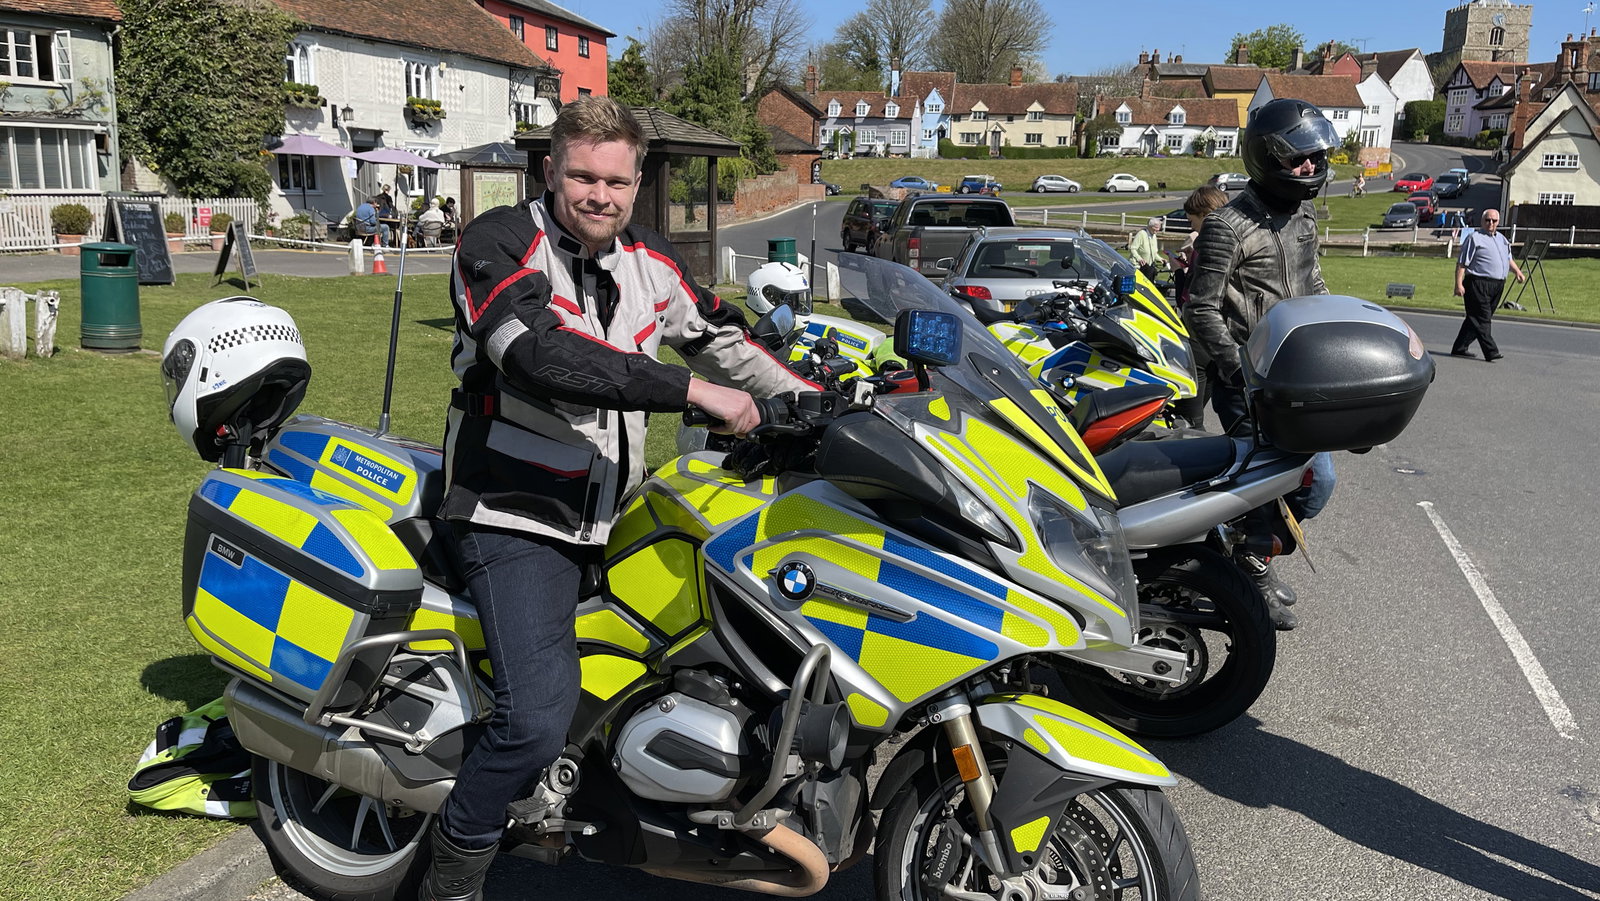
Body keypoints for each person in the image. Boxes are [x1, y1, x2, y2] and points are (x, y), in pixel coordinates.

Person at [422, 96, 817, 901]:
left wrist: (819, 403)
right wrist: (691, 392)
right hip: (513, 515)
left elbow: (723, 341)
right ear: (550, 171)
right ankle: (454, 871)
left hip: (617, 512)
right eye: (583, 176)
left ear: (637, 184)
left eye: (616, 181)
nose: (600, 195)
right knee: (535, 715)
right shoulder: (496, 243)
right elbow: (537, 355)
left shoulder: (649, 258)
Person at [1184, 97, 1343, 631]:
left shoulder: (1302, 218)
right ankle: (1244, 567)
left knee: (1313, 484)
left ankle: (1250, 552)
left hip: (1296, 375)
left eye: (1316, 158)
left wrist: (1334, 332)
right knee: (1286, 478)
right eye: (1300, 158)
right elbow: (1200, 307)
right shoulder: (1228, 226)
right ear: (1267, 157)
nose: (1311, 168)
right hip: (1246, 379)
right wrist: (1237, 371)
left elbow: (1311, 283)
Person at [1168, 185, 1229, 429]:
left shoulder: (1206, 246)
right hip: (1224, 333)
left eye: (1192, 219)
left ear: (1205, 214)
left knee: (1189, 416)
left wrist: (1178, 273)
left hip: (1200, 335)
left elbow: (1192, 296)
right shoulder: (1230, 241)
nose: (1190, 224)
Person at [1452, 208, 1524, 361]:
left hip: (1497, 285)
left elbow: (1508, 259)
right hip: (1477, 283)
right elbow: (1462, 263)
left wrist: (1517, 271)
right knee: (1483, 318)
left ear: (1498, 222)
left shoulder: (1502, 240)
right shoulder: (1474, 238)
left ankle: (1460, 347)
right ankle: (1491, 351)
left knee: (1476, 318)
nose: (1491, 223)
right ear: (1482, 221)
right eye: (1487, 220)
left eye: (1494, 221)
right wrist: (1458, 284)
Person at [1128, 216, 1164, 282]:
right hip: (1138, 267)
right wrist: (1139, 259)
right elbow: (1132, 249)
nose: (1158, 229)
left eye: (1159, 227)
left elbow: (1153, 252)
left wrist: (1160, 259)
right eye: (1156, 227)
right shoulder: (1141, 234)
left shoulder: (1154, 235)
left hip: (1149, 267)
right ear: (1150, 226)